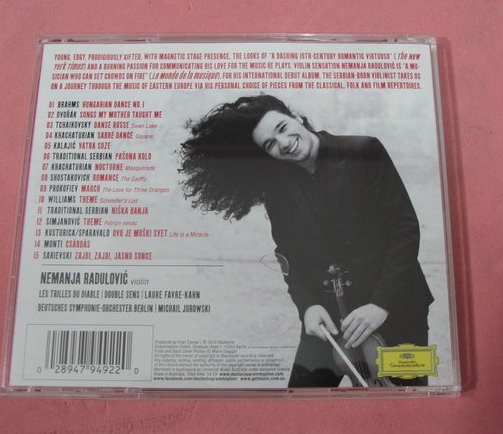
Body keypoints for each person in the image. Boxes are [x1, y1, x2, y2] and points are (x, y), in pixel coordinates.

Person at [179, 95, 433, 387]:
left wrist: (381, 304)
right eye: (270, 144)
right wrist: (308, 306)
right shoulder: (277, 186)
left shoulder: (363, 150)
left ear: (296, 117)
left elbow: (404, 230)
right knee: (301, 401)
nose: (283, 143)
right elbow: (287, 252)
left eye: (282, 128)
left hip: (396, 307)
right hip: (329, 319)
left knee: (406, 400)